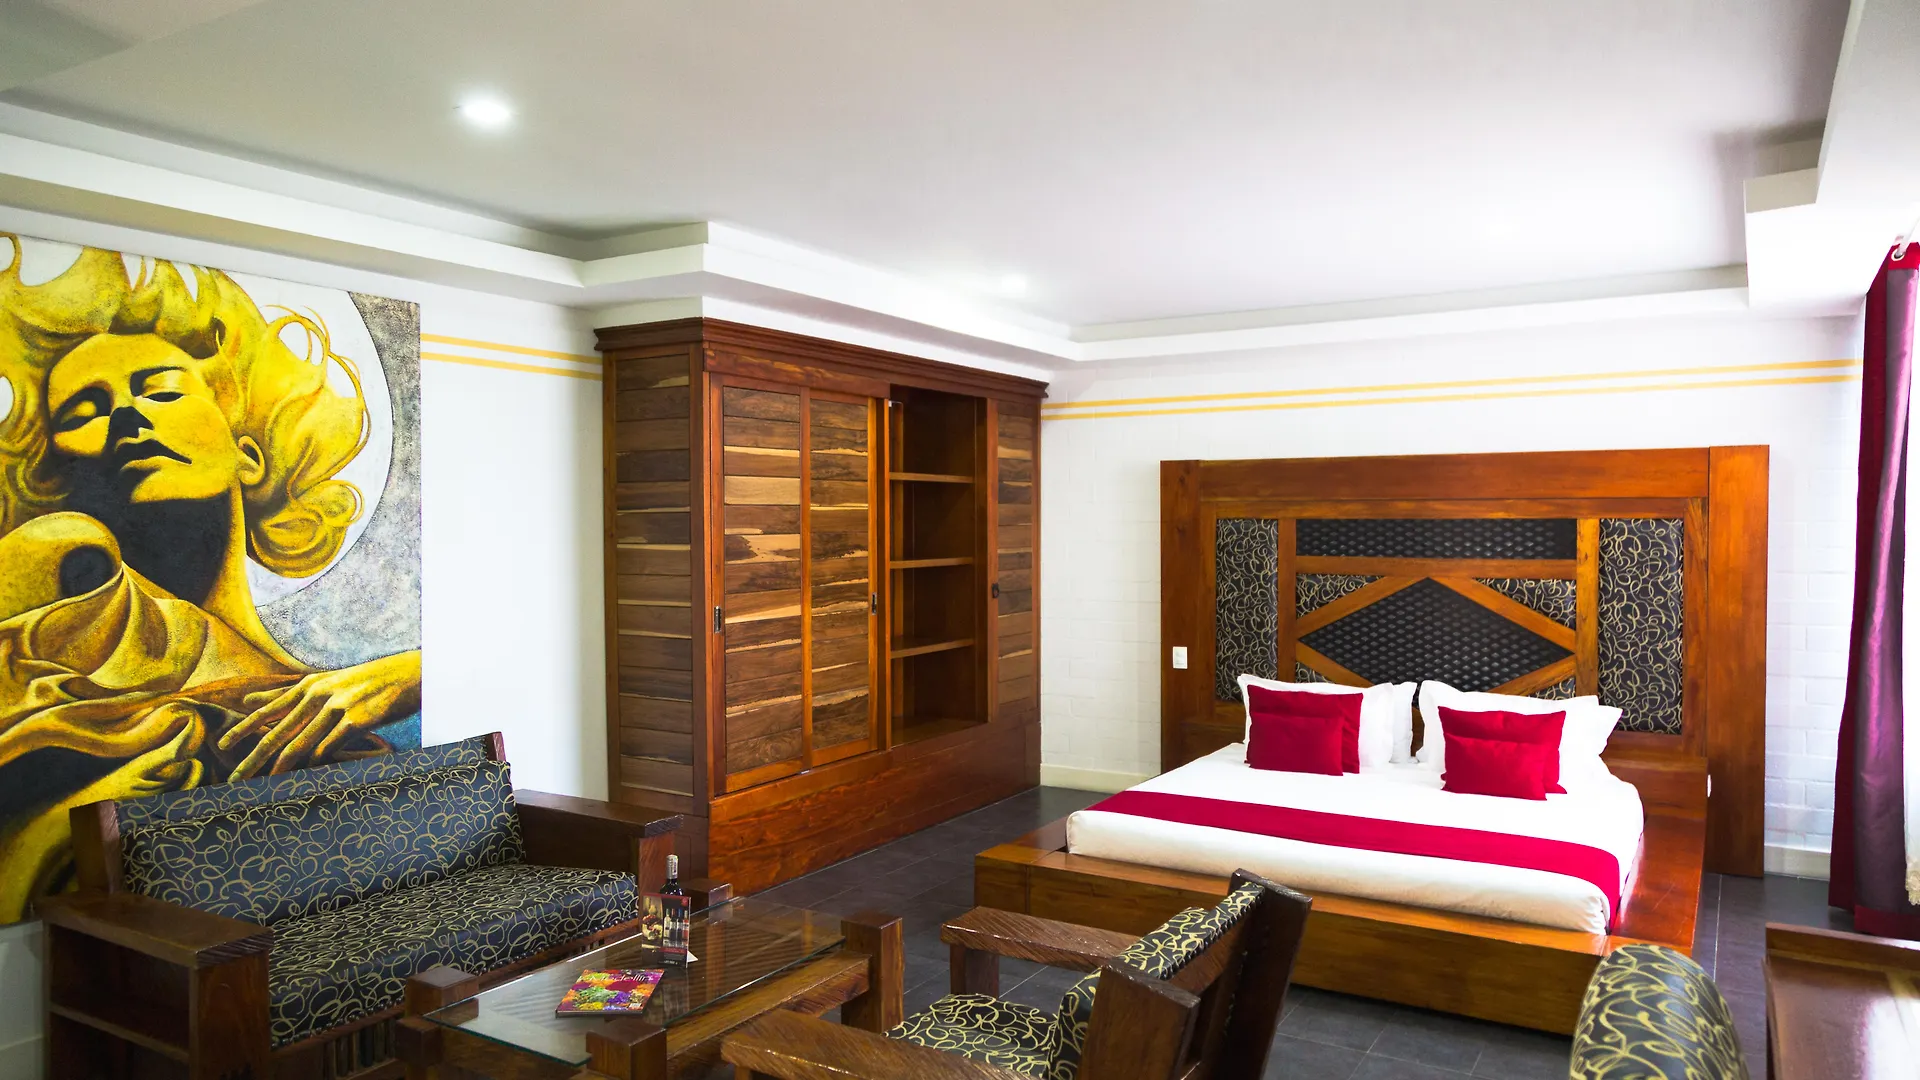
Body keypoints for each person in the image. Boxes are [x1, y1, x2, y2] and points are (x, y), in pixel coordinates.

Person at [0, 239, 420, 922]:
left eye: (161, 390)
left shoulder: (328, 701)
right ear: (59, 476)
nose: (127, 416)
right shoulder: (62, 564)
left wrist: (407, 674)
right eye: (84, 412)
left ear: (248, 455)